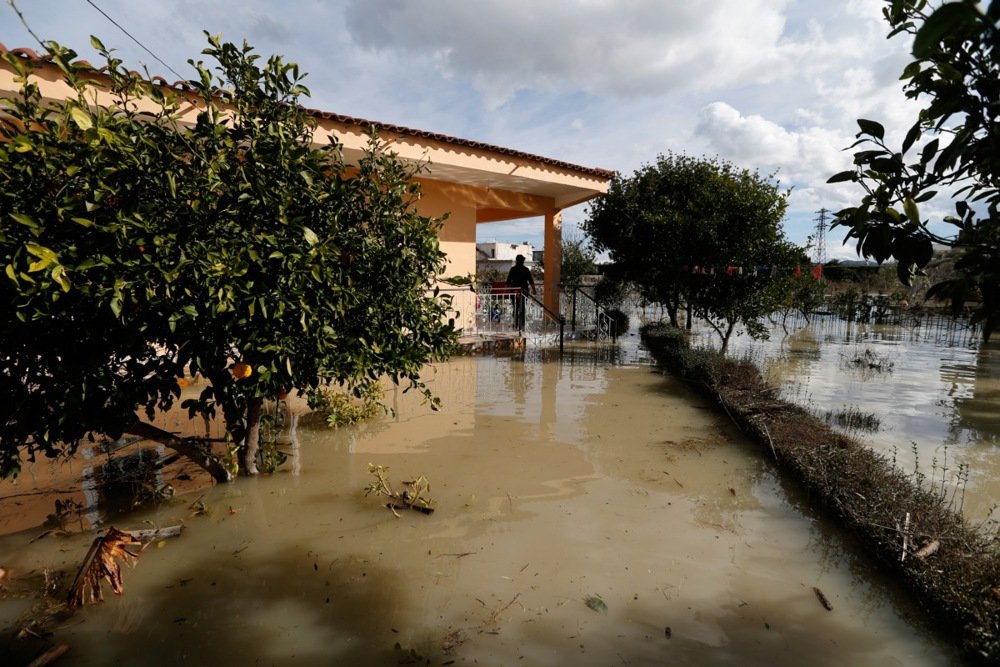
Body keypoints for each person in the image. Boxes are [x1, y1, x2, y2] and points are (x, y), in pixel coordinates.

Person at [506, 254, 535, 330]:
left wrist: (507, 290)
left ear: (516, 261)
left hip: (514, 291)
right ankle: (522, 324)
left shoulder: (513, 269)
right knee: (522, 308)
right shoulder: (526, 270)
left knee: (515, 308)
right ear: (522, 261)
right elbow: (531, 281)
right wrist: (534, 290)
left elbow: (508, 282)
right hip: (523, 292)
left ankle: (515, 324)